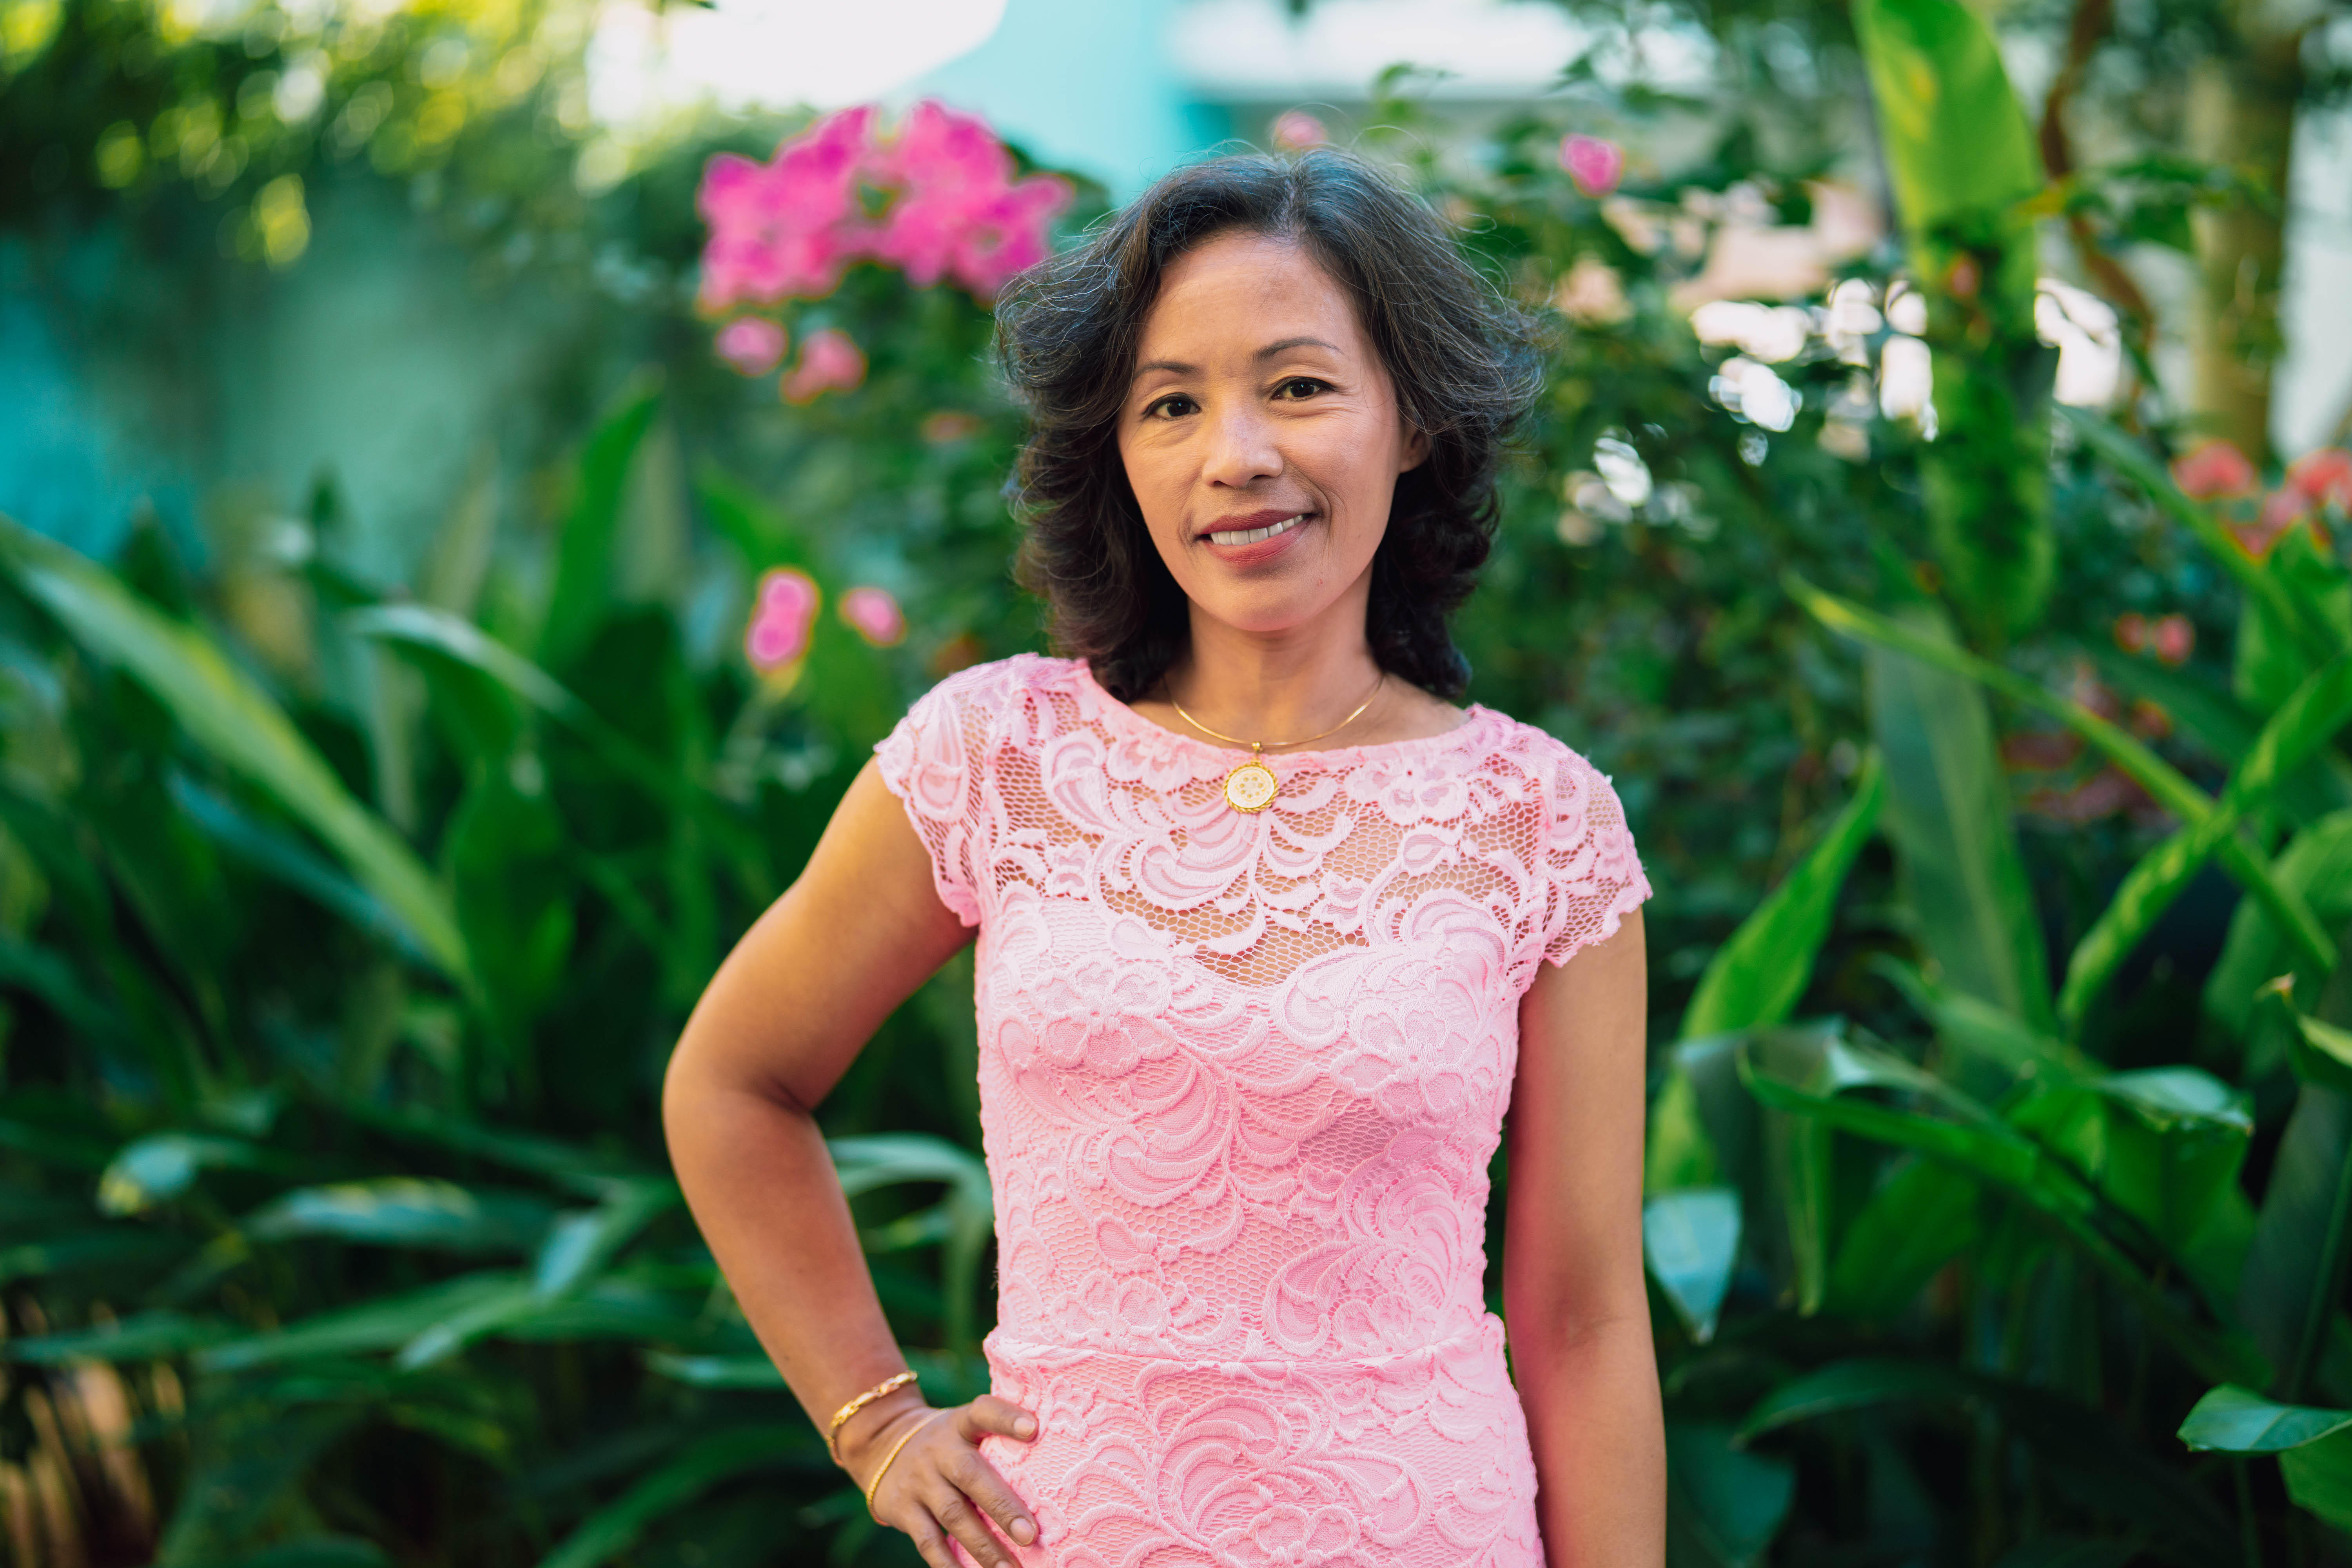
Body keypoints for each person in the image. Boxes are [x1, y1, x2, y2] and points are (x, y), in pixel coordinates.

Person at [662, 147, 1662, 1567]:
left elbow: (1583, 1317)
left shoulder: (1539, 820)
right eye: (1172, 404)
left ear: (1415, 419)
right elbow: (733, 1085)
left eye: (1300, 386)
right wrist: (876, 1423)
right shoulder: (991, 757)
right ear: (1117, 452)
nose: (1234, 453)